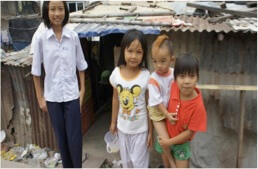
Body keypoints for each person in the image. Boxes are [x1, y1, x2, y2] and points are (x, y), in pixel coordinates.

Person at [31, 1, 88, 168]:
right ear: (47, 12)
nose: (57, 13)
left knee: (75, 139)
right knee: (61, 140)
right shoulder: (41, 39)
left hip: (72, 95)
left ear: (65, 11)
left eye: (60, 9)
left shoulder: (73, 37)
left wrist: (82, 90)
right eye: (53, 9)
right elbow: (36, 71)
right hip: (53, 98)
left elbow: (81, 66)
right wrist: (40, 98)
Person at [109, 29, 152, 168]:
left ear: (144, 54)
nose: (134, 56)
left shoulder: (146, 76)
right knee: (127, 163)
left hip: (140, 131)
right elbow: (116, 99)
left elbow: (149, 105)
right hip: (122, 129)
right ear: (123, 51)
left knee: (139, 165)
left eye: (138, 52)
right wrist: (113, 123)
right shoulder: (116, 74)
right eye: (130, 51)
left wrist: (151, 131)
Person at [158, 53, 207, 168]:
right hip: (165, 136)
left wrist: (168, 143)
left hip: (181, 144)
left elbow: (189, 133)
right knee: (167, 166)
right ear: (175, 78)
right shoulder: (173, 86)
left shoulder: (198, 106)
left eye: (191, 76)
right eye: (182, 76)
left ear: (198, 77)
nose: (187, 81)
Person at [148, 35, 176, 168]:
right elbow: (158, 103)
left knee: (166, 141)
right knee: (165, 140)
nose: (158, 65)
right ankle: (170, 163)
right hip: (158, 113)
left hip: (169, 111)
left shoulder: (174, 74)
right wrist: (167, 115)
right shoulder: (153, 78)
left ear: (172, 59)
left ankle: (167, 165)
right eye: (155, 61)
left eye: (163, 61)